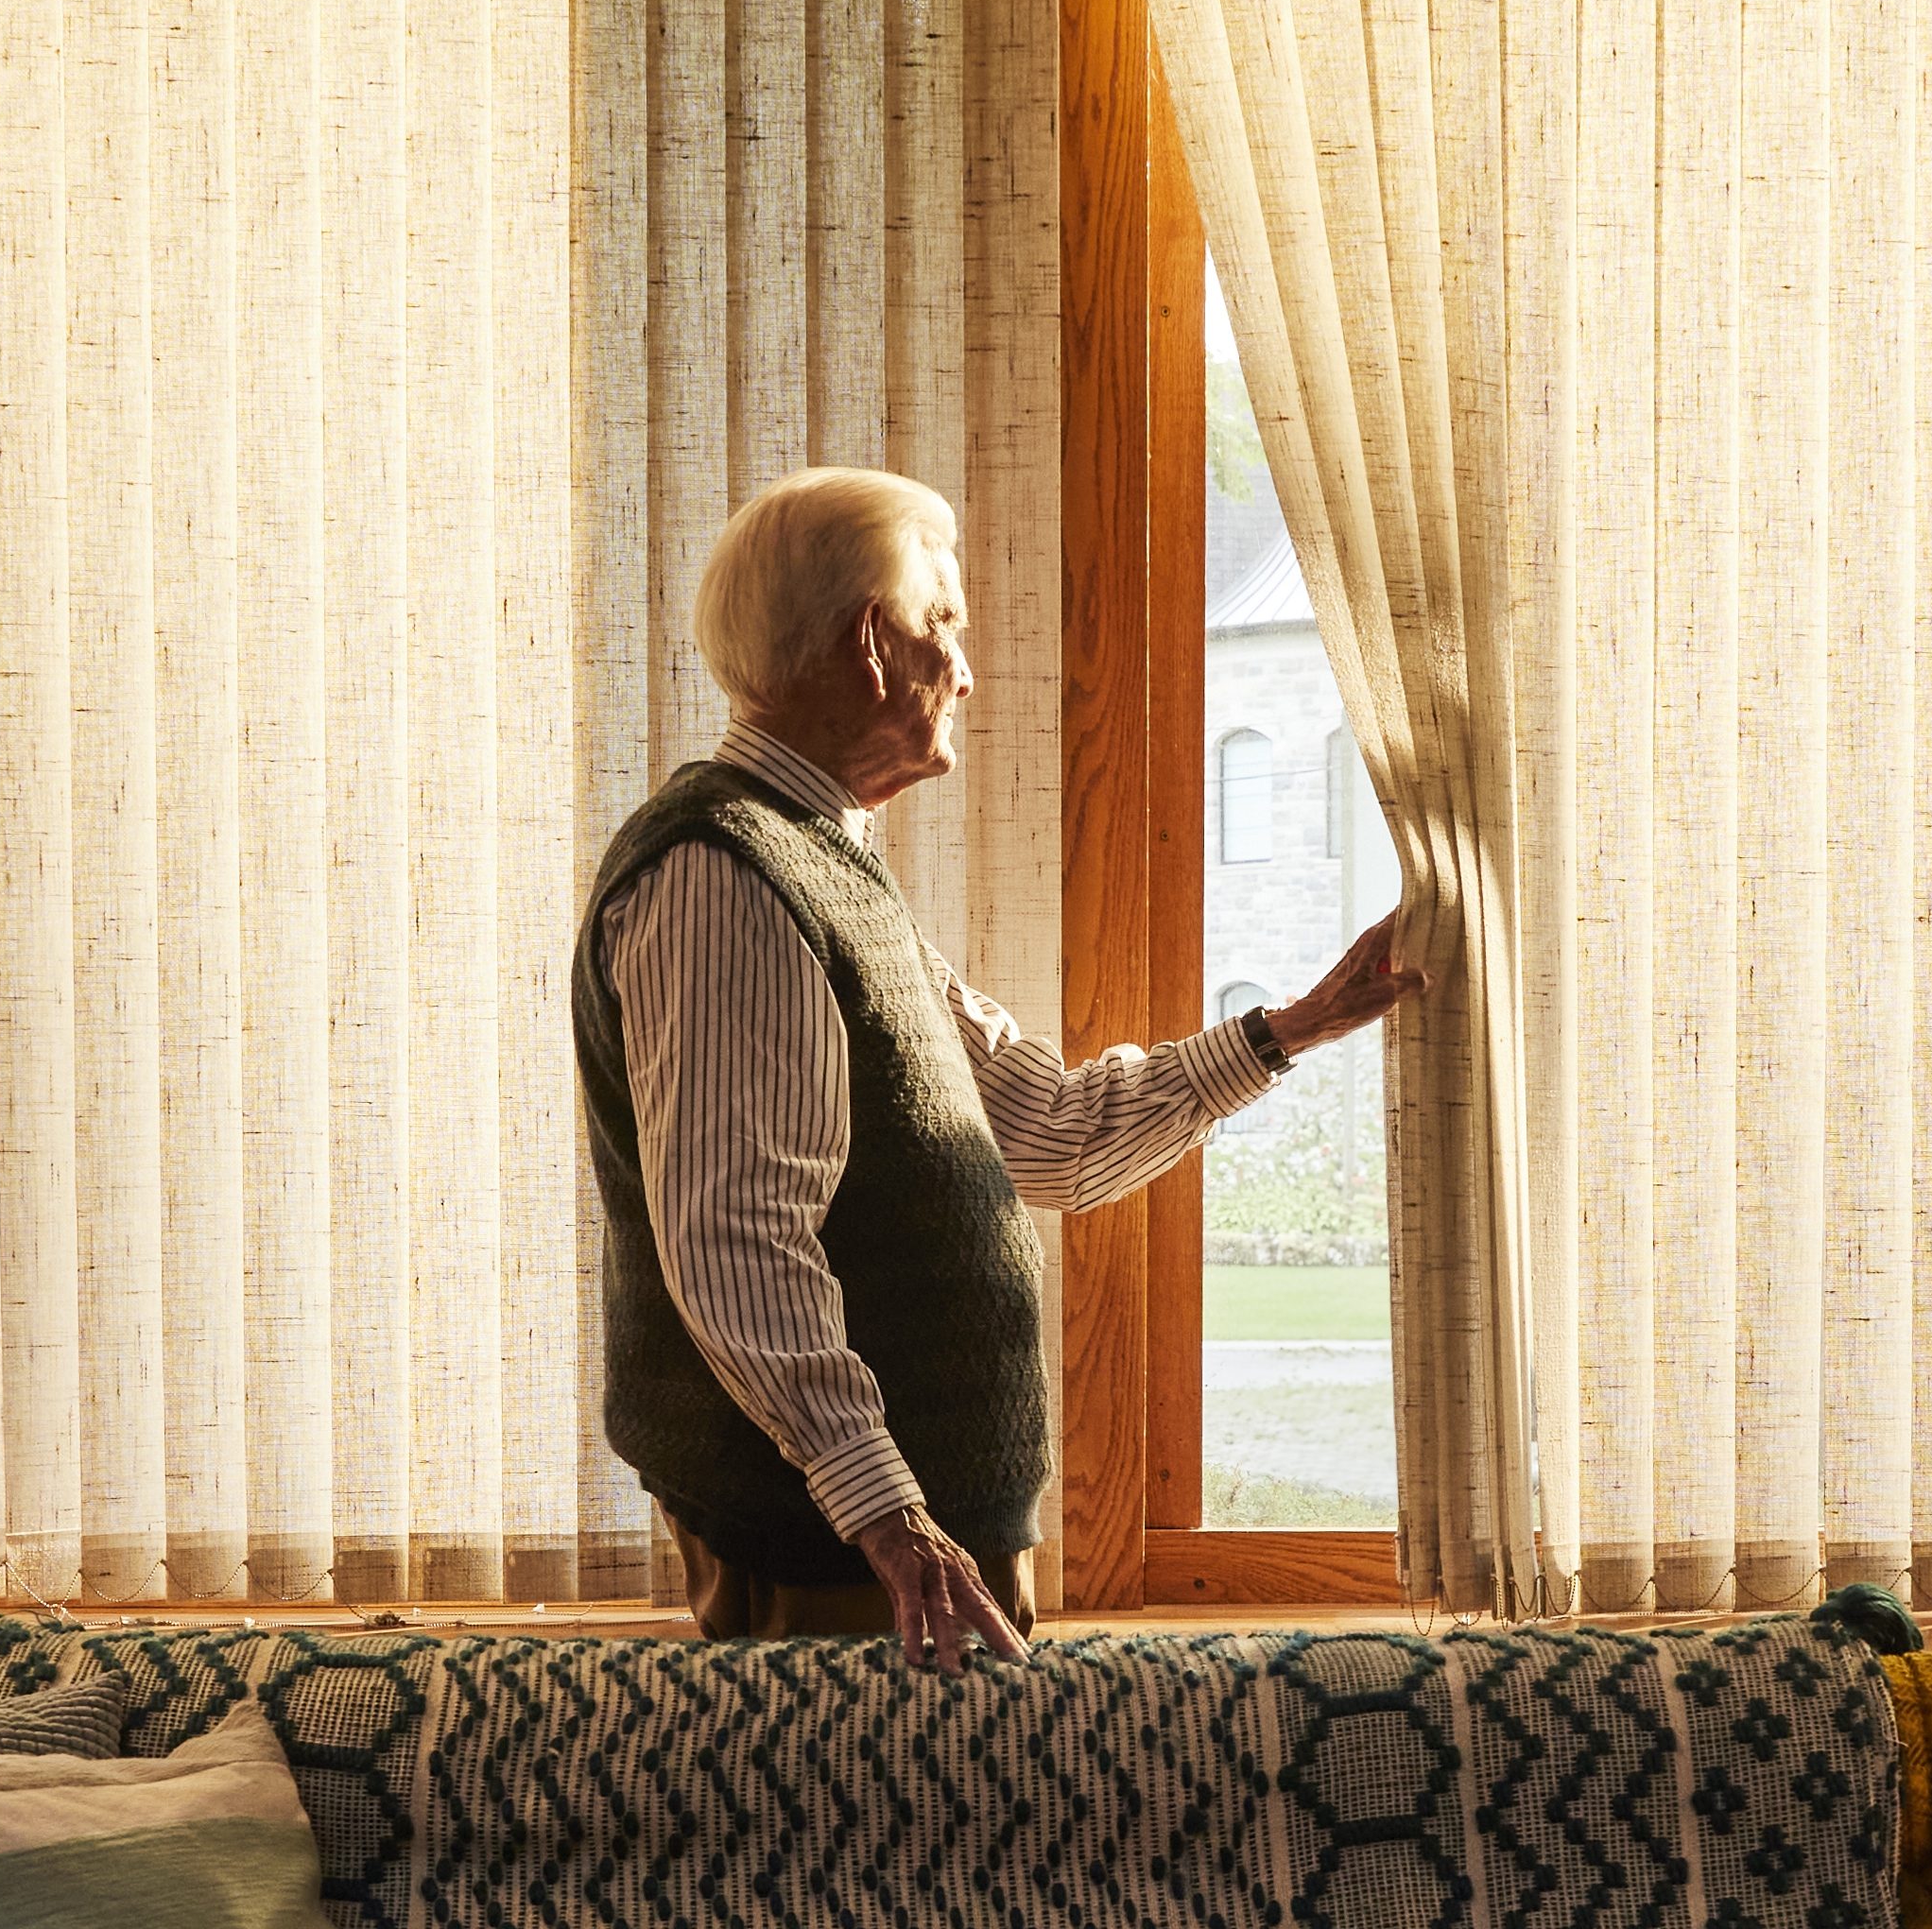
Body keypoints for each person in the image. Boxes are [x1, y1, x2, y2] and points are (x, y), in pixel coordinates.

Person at [577, 467, 1416, 1665]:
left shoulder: (819, 868)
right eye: (945, 627)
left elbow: (1051, 1135)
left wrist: (1295, 1026)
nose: (964, 672)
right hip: (841, 1557)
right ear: (872, 643)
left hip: (900, 1552)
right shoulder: (724, 880)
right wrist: (890, 1515)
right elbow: (736, 1239)